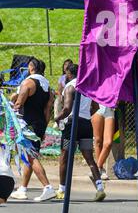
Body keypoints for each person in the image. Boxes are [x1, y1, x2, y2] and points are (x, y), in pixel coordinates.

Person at [54, 63, 105, 201]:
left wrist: (56, 118)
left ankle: (62, 189)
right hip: (86, 124)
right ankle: (100, 188)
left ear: (69, 74)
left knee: (64, 157)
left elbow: (67, 109)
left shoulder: (70, 86)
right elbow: (96, 106)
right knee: (89, 157)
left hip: (72, 125)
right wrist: (86, 114)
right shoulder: (87, 87)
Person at [10, 58, 55, 202]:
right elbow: (48, 109)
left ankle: (48, 187)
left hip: (27, 124)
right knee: (29, 156)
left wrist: (12, 103)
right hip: (40, 124)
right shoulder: (47, 87)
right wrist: (43, 128)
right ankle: (22, 189)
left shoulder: (28, 82)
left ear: (31, 67)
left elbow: (18, 104)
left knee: (31, 156)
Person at [91, 104, 116, 180]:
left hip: (110, 110)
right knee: (98, 141)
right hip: (98, 109)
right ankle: (100, 169)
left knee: (108, 143)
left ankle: (97, 168)